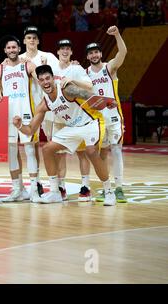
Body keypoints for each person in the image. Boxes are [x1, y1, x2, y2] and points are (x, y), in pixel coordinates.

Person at [13, 64, 118, 206]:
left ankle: (109, 192)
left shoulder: (66, 89)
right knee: (47, 149)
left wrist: (107, 101)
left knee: (91, 151)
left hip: (91, 123)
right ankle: (55, 192)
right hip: (73, 127)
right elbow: (30, 130)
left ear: (53, 78)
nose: (46, 82)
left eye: (48, 78)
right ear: (39, 82)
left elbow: (86, 93)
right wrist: (19, 125)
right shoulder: (45, 103)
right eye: (42, 80)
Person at [0, 35, 40, 203]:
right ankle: (17, 190)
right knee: (12, 152)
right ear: (5, 50)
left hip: (26, 112)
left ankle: (34, 190)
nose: (12, 50)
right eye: (9, 48)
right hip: (8, 113)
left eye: (14, 47)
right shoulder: (0, 68)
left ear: (19, 48)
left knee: (29, 150)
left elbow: (40, 79)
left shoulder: (28, 65)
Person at [86, 25, 128, 203]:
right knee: (101, 154)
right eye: (91, 53)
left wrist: (117, 34)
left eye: (97, 52)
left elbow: (123, 53)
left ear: (100, 54)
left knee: (116, 150)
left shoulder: (110, 68)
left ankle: (119, 188)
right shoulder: (85, 74)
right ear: (87, 56)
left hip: (113, 118)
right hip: (97, 120)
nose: (94, 55)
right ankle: (107, 187)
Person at [52, 39, 94, 201]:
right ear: (57, 52)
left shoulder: (76, 68)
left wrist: (73, 81)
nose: (64, 51)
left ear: (71, 52)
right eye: (62, 48)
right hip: (59, 117)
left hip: (77, 118)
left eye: (68, 49)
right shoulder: (52, 67)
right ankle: (61, 187)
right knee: (59, 154)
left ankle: (85, 187)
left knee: (82, 153)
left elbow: (89, 86)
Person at [19, 26, 59, 195]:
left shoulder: (48, 57)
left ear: (38, 40)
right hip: (28, 107)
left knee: (53, 144)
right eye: (29, 37)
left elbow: (58, 75)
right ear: (24, 40)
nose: (32, 40)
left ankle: (57, 185)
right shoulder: (17, 58)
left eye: (35, 37)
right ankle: (36, 183)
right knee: (30, 146)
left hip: (49, 105)